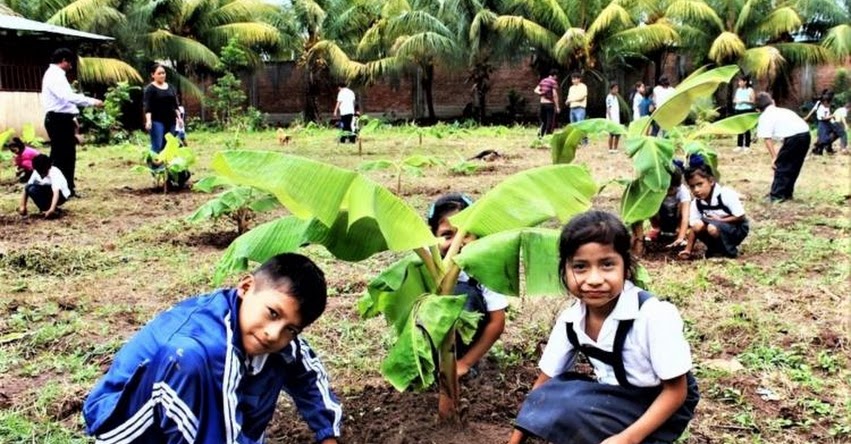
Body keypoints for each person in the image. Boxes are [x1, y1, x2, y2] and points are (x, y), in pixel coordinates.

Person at [83, 253, 342, 444]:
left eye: (291, 328)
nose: (273, 333)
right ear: (246, 287)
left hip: (200, 420)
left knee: (279, 356)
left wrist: (327, 434)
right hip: (130, 428)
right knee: (189, 359)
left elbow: (307, 374)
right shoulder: (211, 345)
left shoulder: (269, 335)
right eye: (273, 313)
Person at [509, 210, 699, 444]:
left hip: (662, 402)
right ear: (565, 271)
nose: (594, 279)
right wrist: (516, 439)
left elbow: (677, 391)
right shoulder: (571, 320)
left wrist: (626, 439)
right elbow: (544, 386)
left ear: (626, 267)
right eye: (580, 267)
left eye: (607, 265)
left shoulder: (652, 315)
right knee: (559, 394)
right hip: (616, 398)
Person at [427, 193, 508, 377]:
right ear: (432, 239)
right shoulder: (425, 264)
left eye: (465, 234)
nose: (458, 243)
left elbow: (497, 322)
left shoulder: (485, 266)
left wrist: (465, 362)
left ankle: (465, 360)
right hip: (429, 335)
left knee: (465, 294)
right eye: (447, 235)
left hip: (469, 339)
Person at [41, 47, 103, 197]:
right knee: (61, 156)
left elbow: (64, 101)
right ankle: (58, 188)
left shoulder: (55, 75)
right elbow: (67, 97)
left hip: (62, 118)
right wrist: (91, 101)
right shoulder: (55, 75)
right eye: (70, 63)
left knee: (67, 155)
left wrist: (73, 117)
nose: (71, 66)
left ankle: (67, 188)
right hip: (58, 119)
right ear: (63, 61)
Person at [680, 163, 748, 259]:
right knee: (697, 225)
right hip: (715, 227)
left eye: (700, 184)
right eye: (692, 186)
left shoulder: (725, 194)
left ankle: (728, 251)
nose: (696, 190)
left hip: (736, 228)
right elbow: (694, 228)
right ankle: (714, 249)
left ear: (711, 181)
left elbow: (740, 216)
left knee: (712, 227)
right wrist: (688, 250)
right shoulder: (697, 202)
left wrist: (720, 220)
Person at [754, 92, 811, 203]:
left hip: (794, 137)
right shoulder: (783, 111)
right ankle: (787, 193)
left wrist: (774, 157)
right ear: (772, 102)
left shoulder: (765, 116)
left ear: (758, 109)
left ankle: (777, 195)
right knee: (794, 166)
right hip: (805, 135)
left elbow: (767, 139)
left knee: (781, 166)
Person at [632, 167, 690, 256]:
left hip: (676, 215)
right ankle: (657, 228)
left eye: (671, 189)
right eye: (665, 189)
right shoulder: (657, 190)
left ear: (677, 186)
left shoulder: (683, 191)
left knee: (683, 206)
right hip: (661, 214)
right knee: (651, 204)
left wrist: (681, 237)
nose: (667, 192)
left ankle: (679, 231)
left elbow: (685, 217)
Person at [143, 63, 181, 154]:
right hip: (157, 121)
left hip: (171, 120)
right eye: (159, 73)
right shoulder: (150, 89)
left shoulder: (171, 87)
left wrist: (179, 119)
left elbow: (175, 105)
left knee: (168, 145)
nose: (162, 75)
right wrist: (148, 121)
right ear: (153, 75)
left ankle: (165, 166)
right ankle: (154, 166)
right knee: (157, 145)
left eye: (163, 73)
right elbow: (148, 106)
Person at [18, 154, 70, 219]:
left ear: (49, 167)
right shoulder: (36, 172)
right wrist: (22, 206)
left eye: (44, 171)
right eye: (40, 172)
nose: (42, 174)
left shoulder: (54, 172)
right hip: (47, 192)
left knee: (34, 189)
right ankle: (46, 209)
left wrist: (52, 209)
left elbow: (56, 193)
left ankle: (52, 210)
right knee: (31, 188)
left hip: (60, 196)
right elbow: (27, 187)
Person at [732, 76, 756, 152]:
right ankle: (739, 145)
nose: (739, 83)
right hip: (738, 110)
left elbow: (753, 101)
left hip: (747, 110)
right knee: (740, 128)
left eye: (740, 81)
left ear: (745, 82)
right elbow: (734, 100)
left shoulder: (750, 90)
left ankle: (747, 145)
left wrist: (744, 101)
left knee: (746, 128)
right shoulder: (738, 90)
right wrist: (736, 101)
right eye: (738, 82)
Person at [534, 69, 560, 137]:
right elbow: (554, 95)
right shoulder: (553, 82)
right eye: (556, 77)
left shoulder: (543, 80)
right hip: (549, 104)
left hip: (542, 103)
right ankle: (548, 136)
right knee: (550, 121)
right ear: (554, 76)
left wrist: (541, 93)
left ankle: (540, 136)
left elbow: (536, 90)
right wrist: (557, 106)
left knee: (543, 121)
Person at [566, 72, 588, 144]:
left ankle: (584, 140)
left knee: (580, 125)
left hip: (580, 108)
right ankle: (576, 140)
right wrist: (568, 101)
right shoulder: (571, 88)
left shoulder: (583, 86)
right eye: (572, 79)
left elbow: (582, 96)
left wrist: (572, 99)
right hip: (572, 108)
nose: (574, 80)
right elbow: (569, 96)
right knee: (573, 125)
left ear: (579, 79)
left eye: (575, 79)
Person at [605, 82, 621, 153]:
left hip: (617, 118)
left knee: (618, 133)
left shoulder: (616, 97)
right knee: (611, 134)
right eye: (615, 89)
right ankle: (610, 148)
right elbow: (608, 108)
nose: (616, 90)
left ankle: (615, 148)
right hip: (612, 118)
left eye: (617, 88)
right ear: (611, 89)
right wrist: (610, 118)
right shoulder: (609, 97)